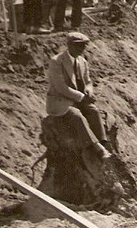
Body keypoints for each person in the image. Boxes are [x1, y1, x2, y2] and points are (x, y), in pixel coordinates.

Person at [46, 32, 111, 160]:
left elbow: (88, 81)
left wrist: (88, 90)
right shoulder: (57, 62)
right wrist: (81, 97)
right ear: (69, 45)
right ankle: (98, 147)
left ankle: (102, 142)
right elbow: (61, 87)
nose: (81, 49)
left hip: (78, 98)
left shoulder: (82, 61)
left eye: (83, 46)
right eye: (78, 46)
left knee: (94, 111)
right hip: (60, 100)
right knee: (77, 116)